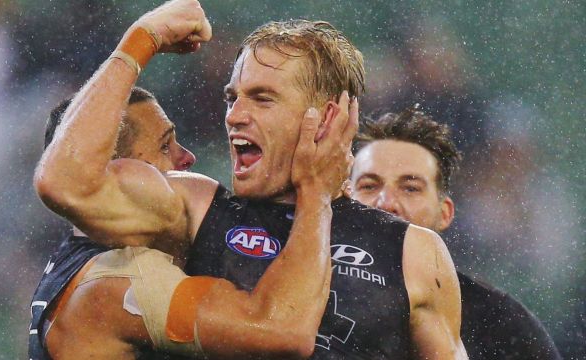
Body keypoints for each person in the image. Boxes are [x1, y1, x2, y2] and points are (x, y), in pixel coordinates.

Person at [34, 0, 467, 358]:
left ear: (328, 116)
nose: (234, 116)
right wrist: (140, 42)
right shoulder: (192, 206)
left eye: (262, 99)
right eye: (232, 98)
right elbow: (67, 183)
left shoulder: (414, 253)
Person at [30, 85, 352, 359]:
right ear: (119, 175)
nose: (186, 158)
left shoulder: (75, 263)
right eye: (164, 146)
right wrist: (315, 191)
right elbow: (283, 329)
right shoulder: (114, 284)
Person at [350, 106, 562, 360]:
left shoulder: (498, 322)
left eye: (410, 188)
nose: (386, 202)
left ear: (445, 213)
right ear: (341, 200)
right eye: (369, 186)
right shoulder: (306, 296)